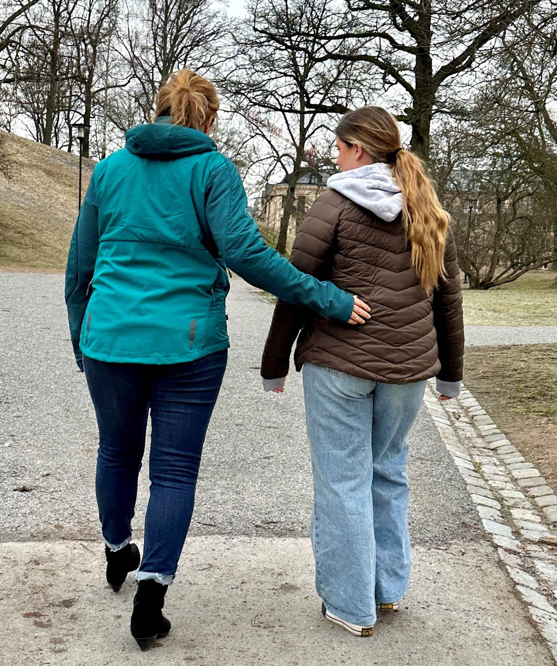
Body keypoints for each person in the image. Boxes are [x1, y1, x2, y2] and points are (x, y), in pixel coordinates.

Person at [64, 69, 371, 652]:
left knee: (116, 450)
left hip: (109, 341)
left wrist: (82, 338)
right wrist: (328, 298)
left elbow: (79, 267)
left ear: (157, 112)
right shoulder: (212, 169)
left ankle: (115, 550)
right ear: (209, 120)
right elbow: (246, 254)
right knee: (174, 469)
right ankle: (151, 596)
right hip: (190, 344)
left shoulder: (108, 170)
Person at [260, 106, 464, 637]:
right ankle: (387, 590)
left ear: (359, 149)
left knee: (342, 481)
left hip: (340, 365)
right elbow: (449, 297)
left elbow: (295, 286)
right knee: (388, 471)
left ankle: (351, 605)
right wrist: (451, 374)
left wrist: (274, 363)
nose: (334, 155)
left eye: (338, 146)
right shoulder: (426, 206)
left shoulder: (334, 203)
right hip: (409, 371)